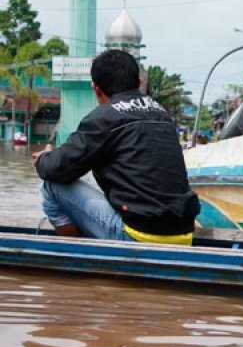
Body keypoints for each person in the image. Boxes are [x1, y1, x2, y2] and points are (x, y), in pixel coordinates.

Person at [33, 49, 200, 244]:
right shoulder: (162, 115)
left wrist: (44, 158)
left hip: (139, 236)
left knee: (51, 187)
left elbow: (57, 169)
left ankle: (81, 259)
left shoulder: (103, 118)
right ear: (138, 83)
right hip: (184, 233)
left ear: (96, 89)